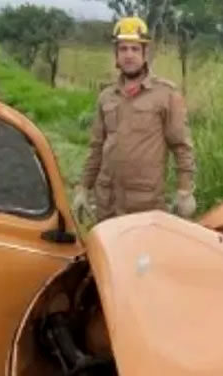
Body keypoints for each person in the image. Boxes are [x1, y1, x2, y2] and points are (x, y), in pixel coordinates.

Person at [76, 16, 197, 225]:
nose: (129, 55)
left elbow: (181, 146)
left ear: (145, 53)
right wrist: (83, 188)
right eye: (123, 49)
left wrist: (184, 191)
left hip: (145, 205)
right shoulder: (107, 96)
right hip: (107, 202)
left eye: (134, 49)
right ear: (116, 55)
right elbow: (96, 148)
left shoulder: (166, 95)